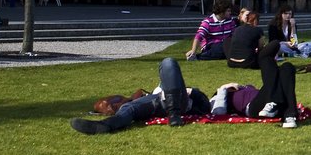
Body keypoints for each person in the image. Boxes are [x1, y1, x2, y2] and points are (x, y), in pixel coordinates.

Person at [69, 57, 210, 133]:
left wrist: (191, 91)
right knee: (129, 108)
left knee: (168, 62)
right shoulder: (146, 97)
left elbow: (204, 102)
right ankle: (104, 125)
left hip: (178, 103)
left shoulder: (181, 88)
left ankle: (174, 115)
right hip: (156, 103)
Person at [223, 8, 301, 128]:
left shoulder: (238, 29)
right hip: (254, 107)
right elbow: (217, 107)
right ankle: (290, 113)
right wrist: (223, 88)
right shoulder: (226, 95)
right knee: (278, 62)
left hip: (269, 102)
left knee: (286, 66)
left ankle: (278, 105)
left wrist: (232, 86)